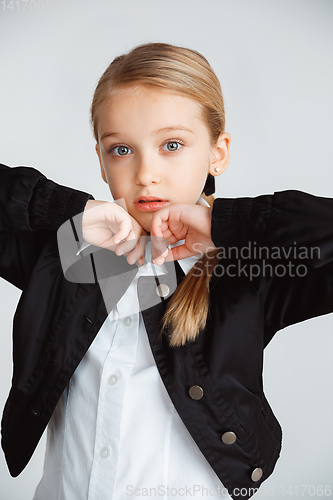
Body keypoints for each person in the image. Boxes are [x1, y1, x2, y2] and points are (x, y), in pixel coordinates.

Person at [0, 42, 332, 500]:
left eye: (172, 145)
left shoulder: (250, 269)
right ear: (99, 158)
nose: (146, 173)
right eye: (121, 149)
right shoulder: (65, 250)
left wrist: (226, 223)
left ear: (218, 153)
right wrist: (62, 207)